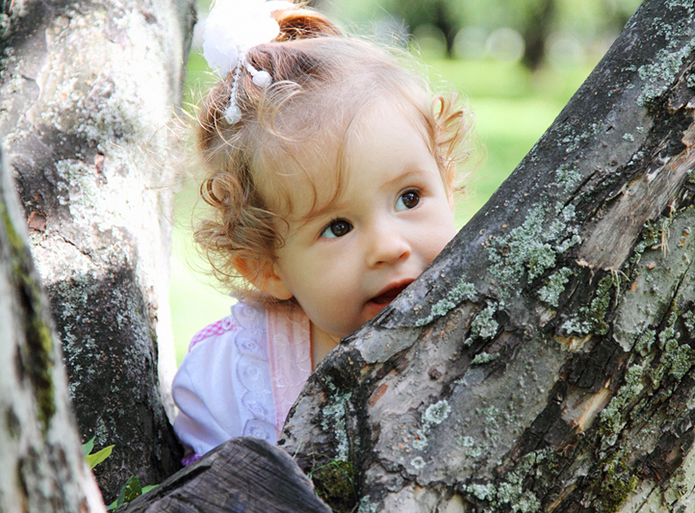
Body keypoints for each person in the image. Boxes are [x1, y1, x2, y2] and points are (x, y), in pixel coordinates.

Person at [172, 0, 475, 464]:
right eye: (337, 227)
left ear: (447, 186)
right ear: (265, 267)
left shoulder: (494, 308)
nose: (390, 247)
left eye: (409, 198)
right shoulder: (230, 382)